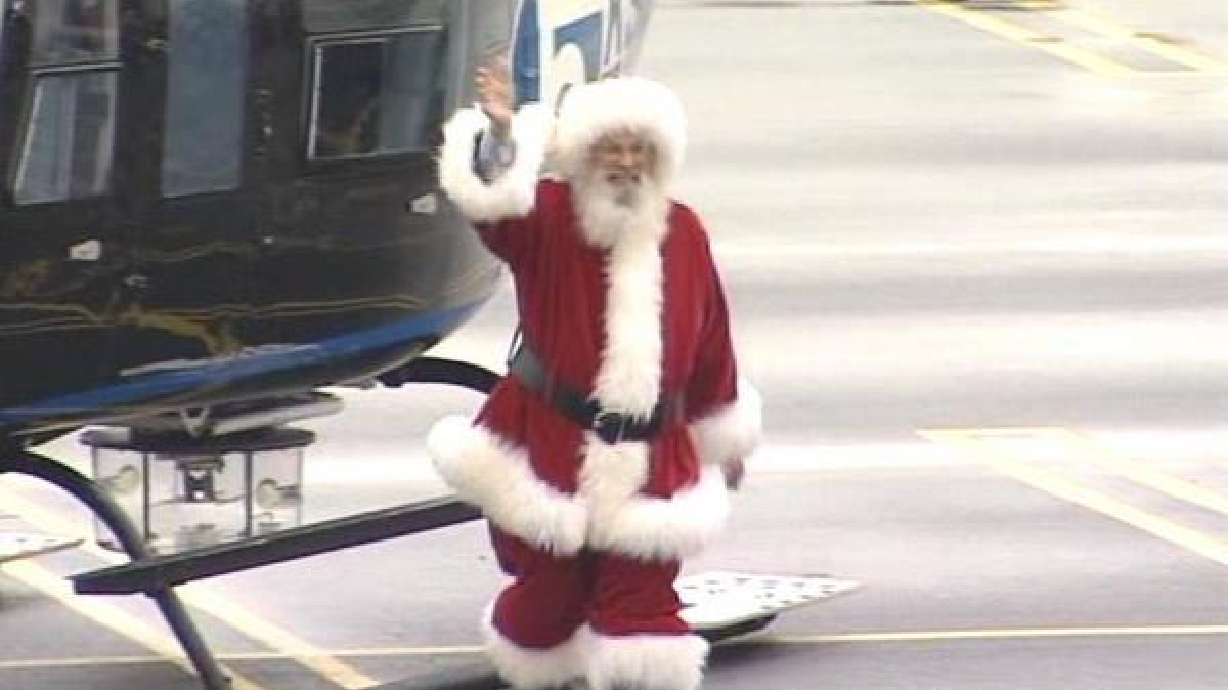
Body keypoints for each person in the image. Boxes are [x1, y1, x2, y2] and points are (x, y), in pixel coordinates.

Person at [427, 60, 761, 690]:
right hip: (550, 447)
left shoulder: (684, 230)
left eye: (639, 149)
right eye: (612, 147)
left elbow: (713, 342)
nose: (627, 162)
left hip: (652, 462)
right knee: (545, 610)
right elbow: (493, 208)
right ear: (583, 154)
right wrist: (504, 136)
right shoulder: (548, 218)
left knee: (646, 620)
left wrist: (723, 438)